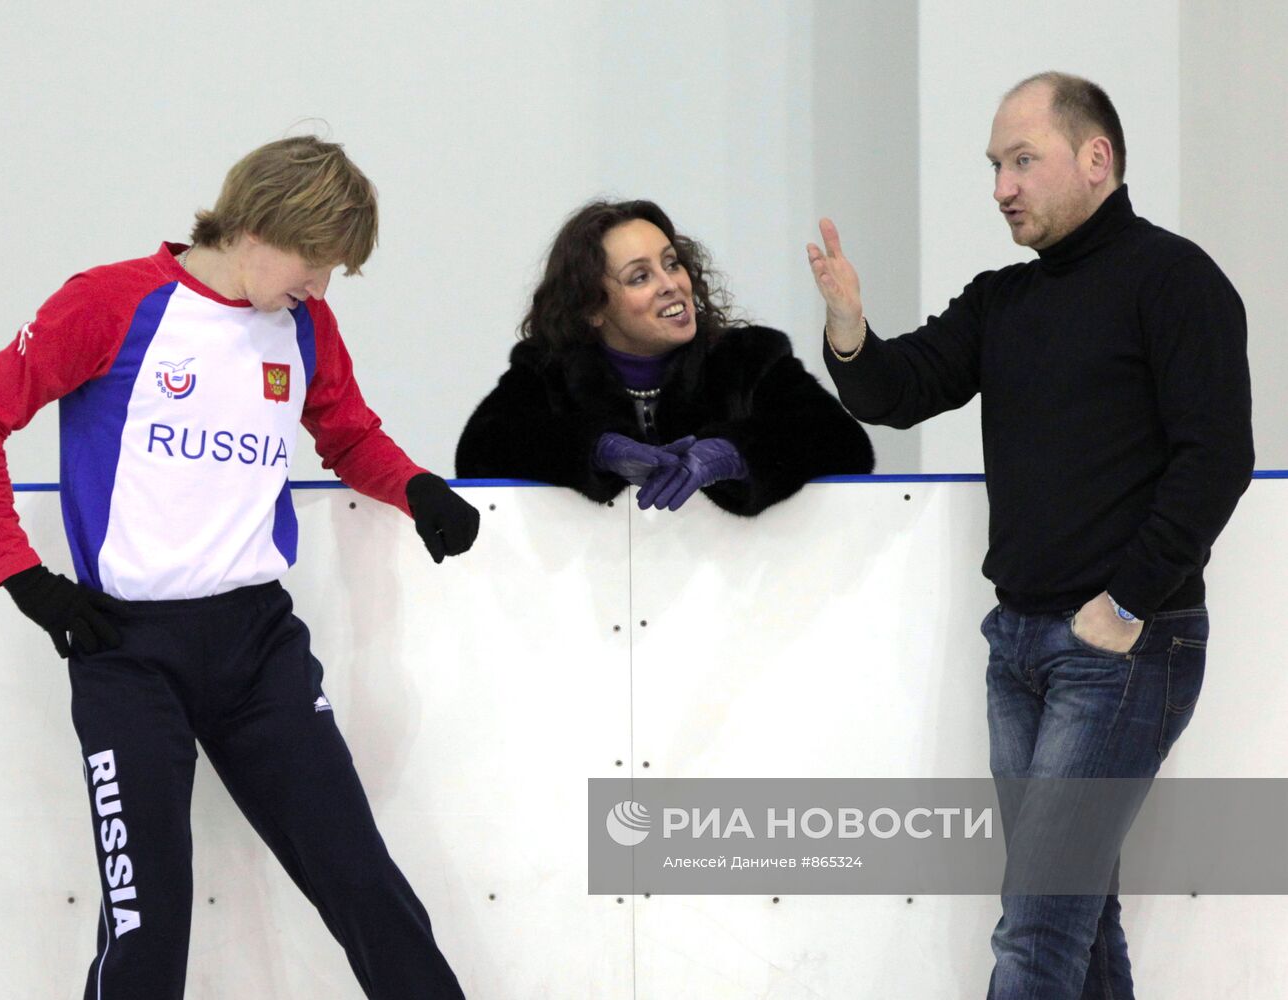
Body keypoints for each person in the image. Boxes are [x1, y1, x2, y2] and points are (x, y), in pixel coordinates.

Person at [0, 136, 477, 999]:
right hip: (129, 653)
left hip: (257, 644)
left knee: (364, 885)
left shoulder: (303, 324)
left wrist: (415, 489)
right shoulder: (111, 302)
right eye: (317, 261)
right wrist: (24, 577)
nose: (322, 286)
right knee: (147, 928)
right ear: (261, 228)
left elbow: (346, 434)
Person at [807, 72, 1253, 999]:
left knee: (1037, 932)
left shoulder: (1176, 281)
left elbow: (1216, 458)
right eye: (995, 166)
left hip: (1125, 647)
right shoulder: (1000, 301)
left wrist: (1126, 602)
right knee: (1079, 926)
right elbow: (898, 389)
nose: (1002, 186)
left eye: (1022, 160)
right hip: (1019, 644)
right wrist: (849, 328)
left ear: (1097, 160)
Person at [455, 199, 874, 514]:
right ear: (593, 308)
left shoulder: (748, 359)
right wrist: (595, 449)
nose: (671, 283)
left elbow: (845, 444)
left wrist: (733, 453)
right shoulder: (549, 372)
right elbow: (480, 450)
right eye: (640, 276)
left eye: (671, 264)